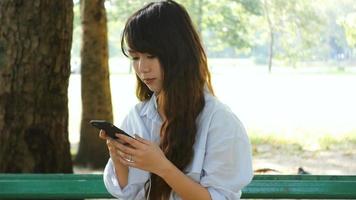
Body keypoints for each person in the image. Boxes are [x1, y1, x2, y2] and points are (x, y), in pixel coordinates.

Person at [99, 1, 253, 199]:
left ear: (178, 54)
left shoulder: (219, 121)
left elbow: (218, 197)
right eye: (135, 58)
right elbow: (131, 194)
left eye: (151, 55)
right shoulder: (137, 117)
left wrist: (162, 167)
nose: (142, 68)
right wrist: (117, 156)